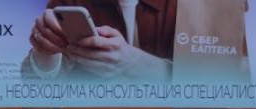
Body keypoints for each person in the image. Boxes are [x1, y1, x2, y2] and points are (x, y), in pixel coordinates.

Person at [24, 0, 178, 80]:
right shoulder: (71, 3)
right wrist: (45, 54)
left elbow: (199, 81)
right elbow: (36, 84)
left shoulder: (186, 6)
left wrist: (134, 62)